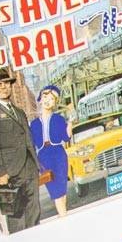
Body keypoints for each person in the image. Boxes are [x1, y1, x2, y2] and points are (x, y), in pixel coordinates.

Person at [0, 67, 40, 231]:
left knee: (34, 212)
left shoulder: (20, 112)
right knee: (16, 217)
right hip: (10, 173)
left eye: (7, 83)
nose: (4, 87)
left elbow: (28, 139)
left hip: (29, 168)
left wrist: (36, 165)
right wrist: (0, 173)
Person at [29, 84, 71, 216]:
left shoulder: (59, 119)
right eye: (45, 96)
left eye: (52, 99)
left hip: (59, 155)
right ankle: (64, 217)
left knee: (62, 190)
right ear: (40, 99)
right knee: (55, 191)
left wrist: (70, 124)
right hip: (44, 157)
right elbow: (32, 143)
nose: (48, 100)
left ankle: (63, 216)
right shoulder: (34, 124)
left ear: (55, 103)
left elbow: (66, 138)